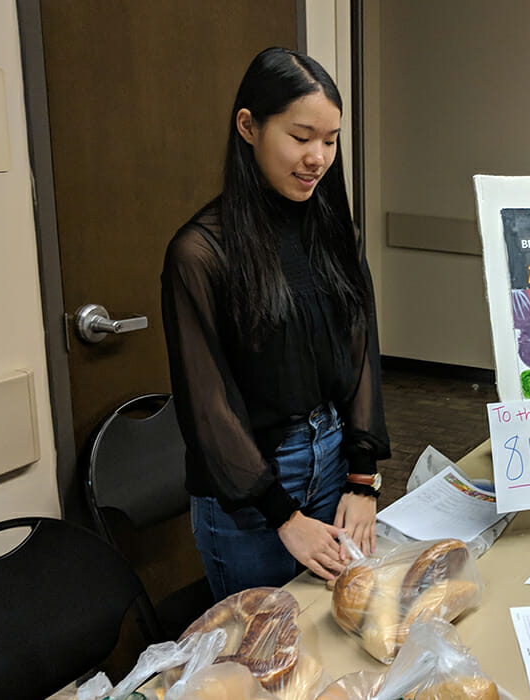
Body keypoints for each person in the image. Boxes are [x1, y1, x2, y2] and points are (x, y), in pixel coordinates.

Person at [162, 47, 390, 601]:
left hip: (333, 458)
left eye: (331, 140)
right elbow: (207, 405)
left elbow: (360, 346)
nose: (317, 157)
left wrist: (362, 478)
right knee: (263, 660)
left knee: (341, 631)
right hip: (250, 488)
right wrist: (282, 515)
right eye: (300, 136)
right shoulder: (201, 252)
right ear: (248, 127)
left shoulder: (335, 232)